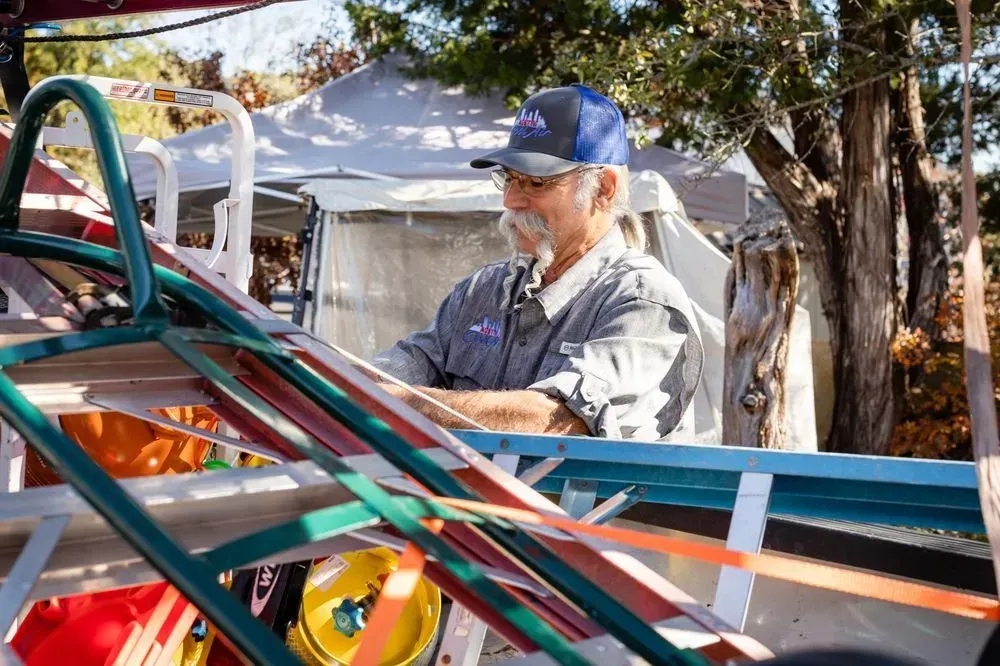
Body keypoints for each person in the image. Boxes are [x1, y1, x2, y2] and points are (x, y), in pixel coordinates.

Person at [372, 83, 704, 442]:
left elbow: (559, 419)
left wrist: (408, 403)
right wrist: (327, 378)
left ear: (603, 188)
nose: (511, 200)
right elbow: (398, 368)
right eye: (510, 179)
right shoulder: (482, 290)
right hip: (473, 497)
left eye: (536, 182)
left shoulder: (642, 300)